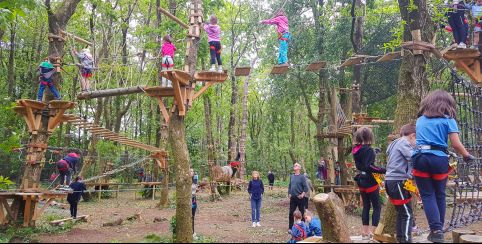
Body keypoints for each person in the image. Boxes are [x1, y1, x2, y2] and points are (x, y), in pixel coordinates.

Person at [412, 90, 474, 243]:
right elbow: (455, 144)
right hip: (438, 160)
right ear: (447, 105)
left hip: (420, 158)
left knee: (427, 195)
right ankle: (438, 231)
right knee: (439, 193)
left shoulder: (420, 120)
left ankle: (436, 230)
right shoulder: (448, 120)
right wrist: (467, 156)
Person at [352, 127, 386, 240]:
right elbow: (369, 166)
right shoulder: (369, 150)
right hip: (370, 182)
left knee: (366, 206)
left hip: (361, 180)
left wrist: (374, 153)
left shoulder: (356, 149)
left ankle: (364, 232)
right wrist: (382, 170)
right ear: (369, 137)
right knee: (377, 206)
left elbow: (362, 163)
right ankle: (373, 232)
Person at [385, 123, 417, 243]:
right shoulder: (404, 142)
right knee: (407, 214)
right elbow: (413, 156)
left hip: (391, 181)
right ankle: (406, 240)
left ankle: (401, 239)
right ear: (413, 136)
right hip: (398, 181)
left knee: (401, 212)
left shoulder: (395, 143)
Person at [288, 163, 308, 230]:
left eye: (296, 165)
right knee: (291, 212)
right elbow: (290, 186)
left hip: (300, 198)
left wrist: (302, 194)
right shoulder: (292, 176)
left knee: (302, 212)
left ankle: (302, 227)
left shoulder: (302, 177)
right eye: (294, 165)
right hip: (293, 198)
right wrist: (289, 193)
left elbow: (306, 188)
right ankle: (290, 227)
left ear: (299, 168)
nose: (294, 166)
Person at [191, 168, 198, 237]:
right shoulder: (185, 181)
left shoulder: (195, 180)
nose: (191, 172)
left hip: (193, 200)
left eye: (192, 171)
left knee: (192, 217)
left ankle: (192, 232)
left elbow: (196, 189)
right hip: (187, 201)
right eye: (190, 171)